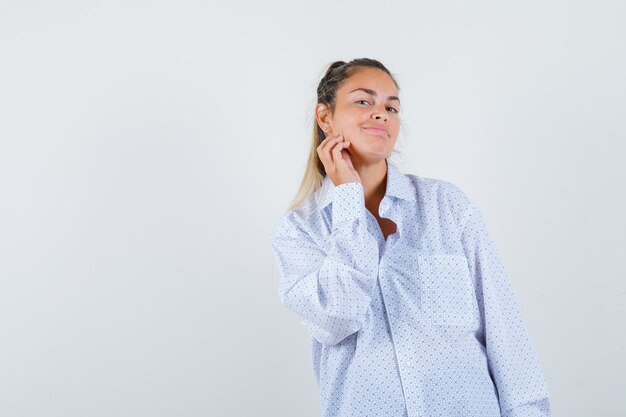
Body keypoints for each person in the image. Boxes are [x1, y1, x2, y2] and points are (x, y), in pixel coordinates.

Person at [268, 58, 551, 417]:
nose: (381, 114)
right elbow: (337, 318)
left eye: (391, 106)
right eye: (364, 101)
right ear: (325, 118)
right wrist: (348, 203)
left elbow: (506, 333)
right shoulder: (299, 232)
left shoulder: (447, 206)